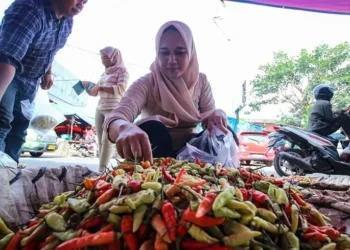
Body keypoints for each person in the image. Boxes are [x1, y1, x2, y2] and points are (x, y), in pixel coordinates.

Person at [104, 20, 235, 162]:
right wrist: (124, 127)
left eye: (180, 52)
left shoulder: (201, 82)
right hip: (153, 154)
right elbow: (114, 120)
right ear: (157, 53)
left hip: (192, 155)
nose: (172, 60)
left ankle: (212, 178)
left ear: (191, 53)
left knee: (224, 130)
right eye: (164, 53)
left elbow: (210, 124)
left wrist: (217, 115)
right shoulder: (147, 83)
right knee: (154, 128)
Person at [0, 0, 87, 163]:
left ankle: (9, 175)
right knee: (2, 121)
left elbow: (51, 50)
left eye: (85, 1)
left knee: (19, 129)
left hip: (30, 82)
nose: (81, 5)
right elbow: (7, 58)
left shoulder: (67, 21)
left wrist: (48, 72)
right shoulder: (30, 10)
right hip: (8, 74)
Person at [83, 47, 129, 172]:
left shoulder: (123, 71)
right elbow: (94, 92)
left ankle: (101, 171)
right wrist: (87, 87)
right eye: (102, 58)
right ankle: (102, 170)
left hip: (113, 109)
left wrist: (100, 87)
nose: (103, 61)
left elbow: (120, 89)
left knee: (107, 140)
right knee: (100, 141)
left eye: (105, 58)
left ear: (114, 57)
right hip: (100, 108)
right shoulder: (104, 73)